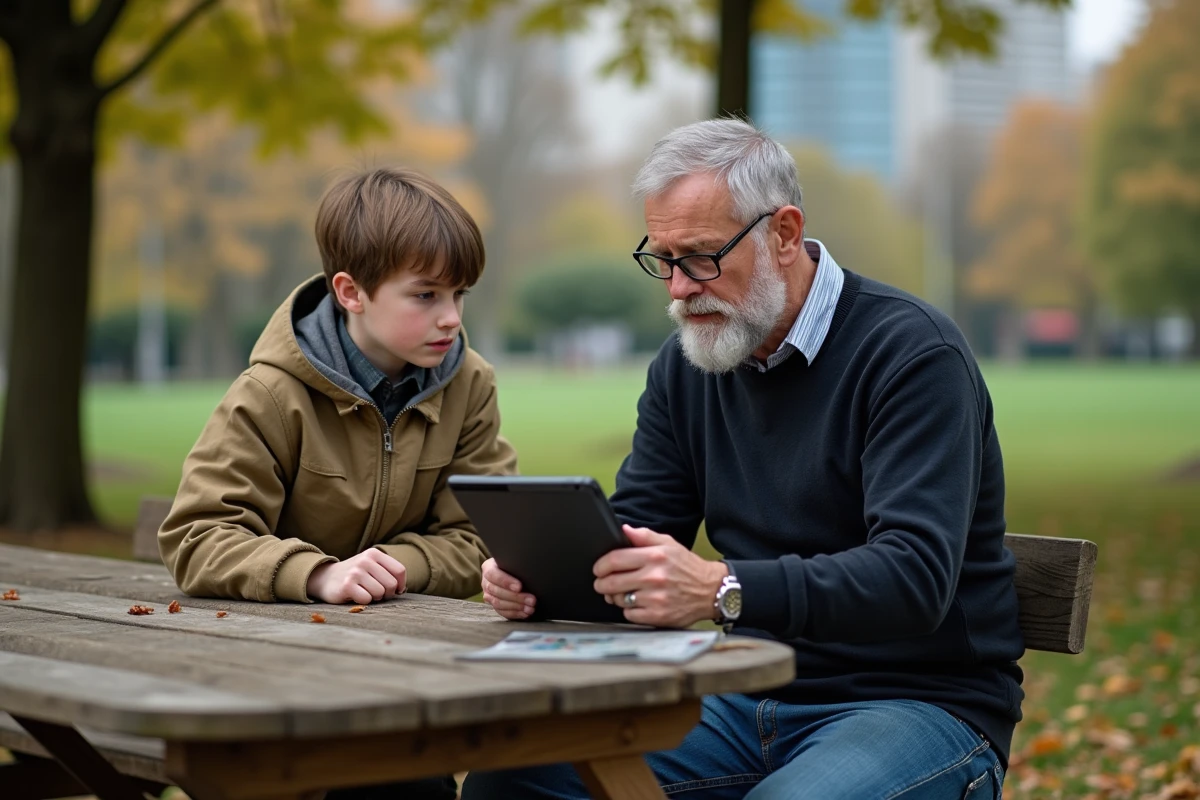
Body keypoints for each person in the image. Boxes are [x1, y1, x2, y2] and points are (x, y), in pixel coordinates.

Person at [466, 119, 1023, 799]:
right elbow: (639, 532)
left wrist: (722, 588)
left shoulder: (911, 355)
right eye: (662, 259)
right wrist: (544, 578)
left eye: (701, 257)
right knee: (513, 780)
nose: (677, 288)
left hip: (918, 704)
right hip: (741, 689)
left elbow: (914, 577)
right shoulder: (689, 365)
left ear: (783, 234)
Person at [160, 167, 517, 800]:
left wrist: (395, 565)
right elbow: (198, 533)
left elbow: (486, 536)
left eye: (460, 295)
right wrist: (319, 573)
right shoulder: (271, 393)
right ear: (351, 292)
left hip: (407, 676)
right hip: (268, 672)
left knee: (411, 785)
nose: (452, 319)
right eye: (426, 295)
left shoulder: (471, 386)